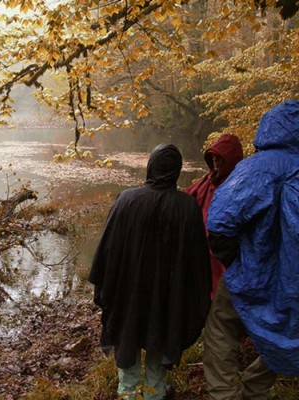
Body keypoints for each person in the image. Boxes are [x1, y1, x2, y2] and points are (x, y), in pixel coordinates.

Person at [89, 143, 212, 400]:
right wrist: (195, 300)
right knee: (159, 344)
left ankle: (128, 394)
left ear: (151, 166)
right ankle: (153, 394)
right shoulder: (187, 207)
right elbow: (198, 262)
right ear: (177, 171)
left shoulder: (127, 200)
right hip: (167, 299)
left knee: (128, 343)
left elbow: (106, 252)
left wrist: (105, 287)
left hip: (128, 294)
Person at [203, 99, 299, 400]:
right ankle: (254, 389)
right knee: (286, 336)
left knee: (220, 328)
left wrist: (236, 263)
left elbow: (218, 224)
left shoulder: (255, 168)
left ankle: (226, 394)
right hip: (293, 279)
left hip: (252, 271)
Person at [186, 134, 243, 299]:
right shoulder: (208, 180)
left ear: (230, 159)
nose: (216, 160)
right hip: (201, 248)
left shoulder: (237, 185)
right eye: (213, 157)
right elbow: (188, 196)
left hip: (221, 252)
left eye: (220, 157)